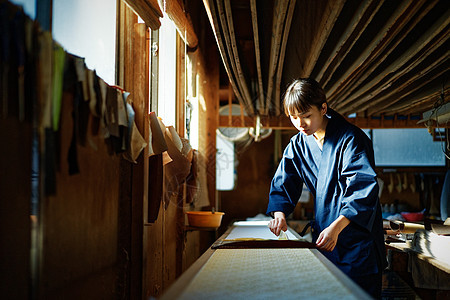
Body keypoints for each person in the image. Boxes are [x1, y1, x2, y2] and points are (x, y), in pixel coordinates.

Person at [267, 78, 387, 299]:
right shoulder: (299, 144)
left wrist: (337, 227)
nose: (300, 124)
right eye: (294, 117)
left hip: (355, 241)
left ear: (323, 108)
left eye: (306, 116)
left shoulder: (351, 139)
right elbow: (284, 182)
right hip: (325, 239)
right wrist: (279, 214)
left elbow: (362, 189)